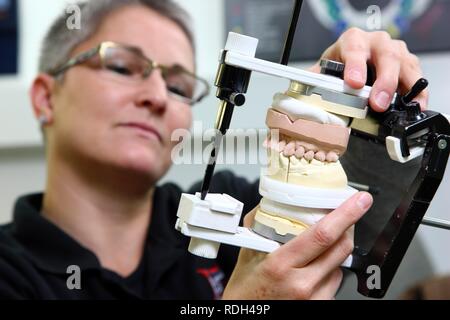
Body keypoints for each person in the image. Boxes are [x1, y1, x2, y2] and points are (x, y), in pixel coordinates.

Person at [0, 0, 428, 299]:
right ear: (45, 98)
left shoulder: (241, 205)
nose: (157, 96)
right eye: (122, 66)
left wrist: (352, 107)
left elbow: (370, 223)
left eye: (178, 85)